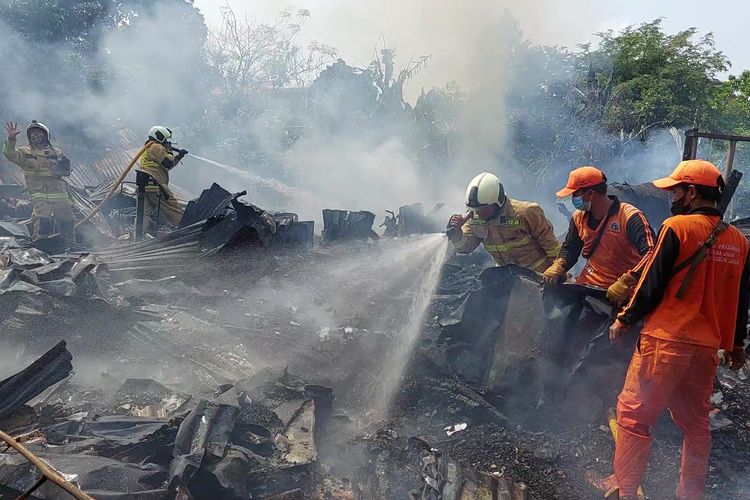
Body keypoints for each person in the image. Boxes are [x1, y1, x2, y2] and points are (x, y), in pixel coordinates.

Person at [607, 159, 749, 499]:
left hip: (665, 343)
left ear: (691, 192)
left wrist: (624, 318)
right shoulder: (739, 241)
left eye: (675, 190)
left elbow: (650, 284)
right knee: (696, 425)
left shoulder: (677, 227)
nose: (671, 197)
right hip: (705, 351)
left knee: (633, 416)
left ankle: (625, 492)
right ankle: (690, 494)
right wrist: (736, 345)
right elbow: (741, 299)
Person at [542, 166, 656, 305]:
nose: (573, 199)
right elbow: (571, 248)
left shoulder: (629, 216)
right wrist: (560, 264)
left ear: (590, 194)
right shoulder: (578, 217)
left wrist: (628, 280)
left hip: (620, 292)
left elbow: (652, 253)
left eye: (575, 194)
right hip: (587, 285)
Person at [447, 172, 560, 273]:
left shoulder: (525, 212)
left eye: (484, 209)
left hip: (540, 274)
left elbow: (552, 247)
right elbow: (464, 248)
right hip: (509, 279)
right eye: (475, 210)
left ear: (498, 201)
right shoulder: (475, 218)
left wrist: (557, 269)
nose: (479, 213)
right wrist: (456, 232)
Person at [3, 120, 75, 244]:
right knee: (43, 219)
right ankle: (42, 246)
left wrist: (64, 168)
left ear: (46, 135)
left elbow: (66, 172)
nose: (36, 136)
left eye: (39, 133)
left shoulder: (56, 152)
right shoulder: (24, 152)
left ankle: (70, 246)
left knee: (67, 220)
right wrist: (11, 139)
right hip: (39, 193)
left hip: (58, 192)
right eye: (33, 134)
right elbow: (9, 153)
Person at [135, 126, 187, 235]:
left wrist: (179, 157)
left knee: (143, 214)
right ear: (160, 136)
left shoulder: (149, 148)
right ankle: (189, 230)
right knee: (172, 208)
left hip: (144, 186)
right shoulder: (156, 146)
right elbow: (167, 163)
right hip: (155, 186)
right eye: (166, 139)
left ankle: (135, 238)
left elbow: (167, 165)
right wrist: (169, 150)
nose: (167, 142)